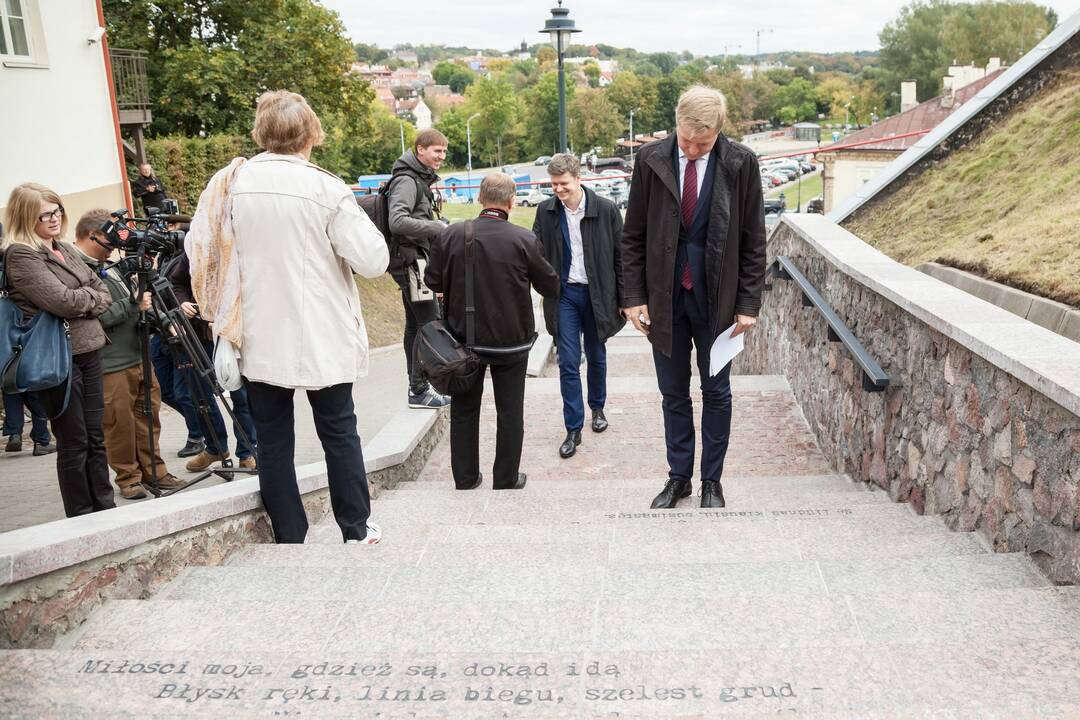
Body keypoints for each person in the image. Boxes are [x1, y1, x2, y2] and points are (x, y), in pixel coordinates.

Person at [186, 90, 389, 544]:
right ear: (311, 133)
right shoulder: (325, 188)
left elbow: (198, 248)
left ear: (262, 133)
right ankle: (355, 526)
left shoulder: (232, 183)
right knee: (339, 430)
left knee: (273, 439)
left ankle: (289, 533)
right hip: (321, 329)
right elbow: (373, 260)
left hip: (256, 330)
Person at [620, 86, 767, 510]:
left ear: (719, 132)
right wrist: (633, 297)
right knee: (673, 392)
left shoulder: (741, 163)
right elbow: (633, 236)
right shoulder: (649, 159)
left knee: (717, 391)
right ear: (677, 124)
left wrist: (748, 304)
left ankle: (712, 481)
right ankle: (678, 477)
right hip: (664, 299)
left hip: (718, 302)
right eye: (684, 140)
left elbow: (753, 239)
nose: (690, 148)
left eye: (700, 144)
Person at [426, 173, 560, 490]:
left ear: (479, 199)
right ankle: (506, 477)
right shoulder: (523, 239)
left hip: (464, 340)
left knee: (464, 410)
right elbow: (550, 285)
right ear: (512, 202)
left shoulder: (452, 234)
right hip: (511, 343)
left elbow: (433, 280)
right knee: (510, 411)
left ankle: (465, 477)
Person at [2, 183, 115, 516]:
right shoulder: (20, 254)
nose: (54, 219)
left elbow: (102, 290)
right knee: (73, 440)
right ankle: (81, 517)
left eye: (57, 211)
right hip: (56, 358)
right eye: (45, 214)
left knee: (95, 436)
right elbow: (62, 301)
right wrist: (88, 298)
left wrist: (85, 298)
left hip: (88, 352)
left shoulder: (63, 247)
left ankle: (106, 511)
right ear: (26, 216)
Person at [72, 209, 182, 499]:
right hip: (111, 363)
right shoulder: (77, 270)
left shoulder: (112, 267)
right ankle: (128, 478)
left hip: (139, 357)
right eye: (112, 236)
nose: (116, 242)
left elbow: (142, 300)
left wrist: (166, 322)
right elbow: (94, 316)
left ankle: (155, 472)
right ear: (93, 234)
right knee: (118, 424)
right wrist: (133, 305)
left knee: (149, 419)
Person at [532, 154, 625, 459]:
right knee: (568, 361)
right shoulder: (545, 212)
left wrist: (625, 300)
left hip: (598, 294)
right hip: (565, 295)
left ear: (578, 178)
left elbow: (621, 258)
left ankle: (597, 407)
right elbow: (536, 254)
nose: (558, 189)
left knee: (597, 355)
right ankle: (573, 427)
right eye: (554, 184)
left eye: (563, 184)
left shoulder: (607, 210)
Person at [166, 249, 259, 472]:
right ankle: (215, 448)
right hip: (197, 335)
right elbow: (176, 282)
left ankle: (248, 451)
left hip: (231, 335)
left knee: (241, 396)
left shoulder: (239, 246)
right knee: (200, 397)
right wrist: (183, 302)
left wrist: (227, 318)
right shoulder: (196, 247)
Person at [387, 129, 452, 410]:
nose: (442, 156)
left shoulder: (416, 178)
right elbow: (397, 221)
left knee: (415, 324)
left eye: (444, 152)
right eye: (437, 151)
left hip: (411, 260)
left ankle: (418, 387)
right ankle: (419, 389)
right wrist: (436, 227)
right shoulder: (407, 180)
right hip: (412, 263)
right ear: (420, 150)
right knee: (429, 323)